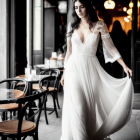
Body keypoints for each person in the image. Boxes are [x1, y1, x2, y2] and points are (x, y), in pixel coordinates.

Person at [60, 0, 133, 140]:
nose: (78, 10)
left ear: (88, 7)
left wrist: (124, 65)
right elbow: (69, 51)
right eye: (76, 8)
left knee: (88, 108)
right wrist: (64, 72)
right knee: (79, 108)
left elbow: (111, 47)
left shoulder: (100, 25)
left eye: (82, 6)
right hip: (73, 70)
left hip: (91, 70)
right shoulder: (71, 26)